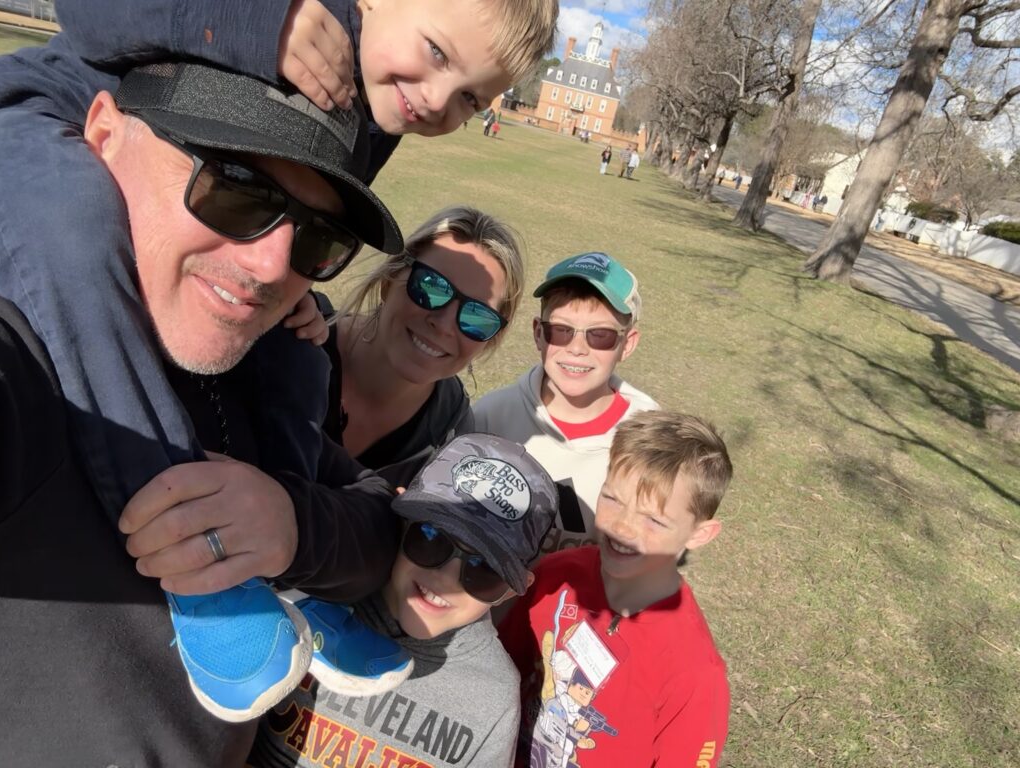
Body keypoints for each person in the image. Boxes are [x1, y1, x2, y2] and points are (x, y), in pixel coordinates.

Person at [0, 0, 557, 725]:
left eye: (472, 99)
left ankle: (287, 592)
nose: (441, 100)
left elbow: (373, 527)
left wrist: (291, 531)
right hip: (41, 124)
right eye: (437, 54)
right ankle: (198, 561)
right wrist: (262, 26)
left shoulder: (439, 416)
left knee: (299, 350)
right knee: (75, 244)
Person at [0, 59, 403, 766]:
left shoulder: (257, 363)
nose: (275, 263)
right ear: (102, 134)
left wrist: (289, 526)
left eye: (317, 237)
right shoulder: (27, 359)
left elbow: (378, 522)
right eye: (238, 188)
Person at [250, 433, 559, 767]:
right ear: (399, 518)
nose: (445, 578)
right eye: (430, 538)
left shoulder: (494, 695)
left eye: (483, 570)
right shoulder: (311, 597)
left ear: (513, 589)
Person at [498, 411, 733, 768]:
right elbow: (499, 671)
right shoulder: (553, 576)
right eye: (612, 499)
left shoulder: (696, 673)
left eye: (654, 519)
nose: (622, 527)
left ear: (699, 534)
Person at [320, 204, 525, 488]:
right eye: (431, 286)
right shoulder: (295, 338)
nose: (443, 325)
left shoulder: (451, 434)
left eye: (476, 316)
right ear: (389, 281)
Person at [474, 252, 658, 557]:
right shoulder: (491, 417)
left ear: (627, 344)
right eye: (560, 330)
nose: (576, 349)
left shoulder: (649, 435)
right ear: (538, 333)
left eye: (600, 335)